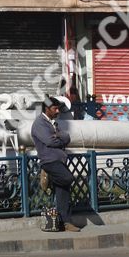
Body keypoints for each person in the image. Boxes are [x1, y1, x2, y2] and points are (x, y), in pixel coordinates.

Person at [31, 96, 78, 232]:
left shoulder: (53, 123)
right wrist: (60, 138)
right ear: (47, 109)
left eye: (58, 108)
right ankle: (49, 176)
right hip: (49, 161)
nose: (57, 111)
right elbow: (50, 142)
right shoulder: (39, 123)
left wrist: (61, 137)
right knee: (68, 178)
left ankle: (66, 222)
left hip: (59, 160)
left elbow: (67, 137)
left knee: (63, 190)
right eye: (55, 108)